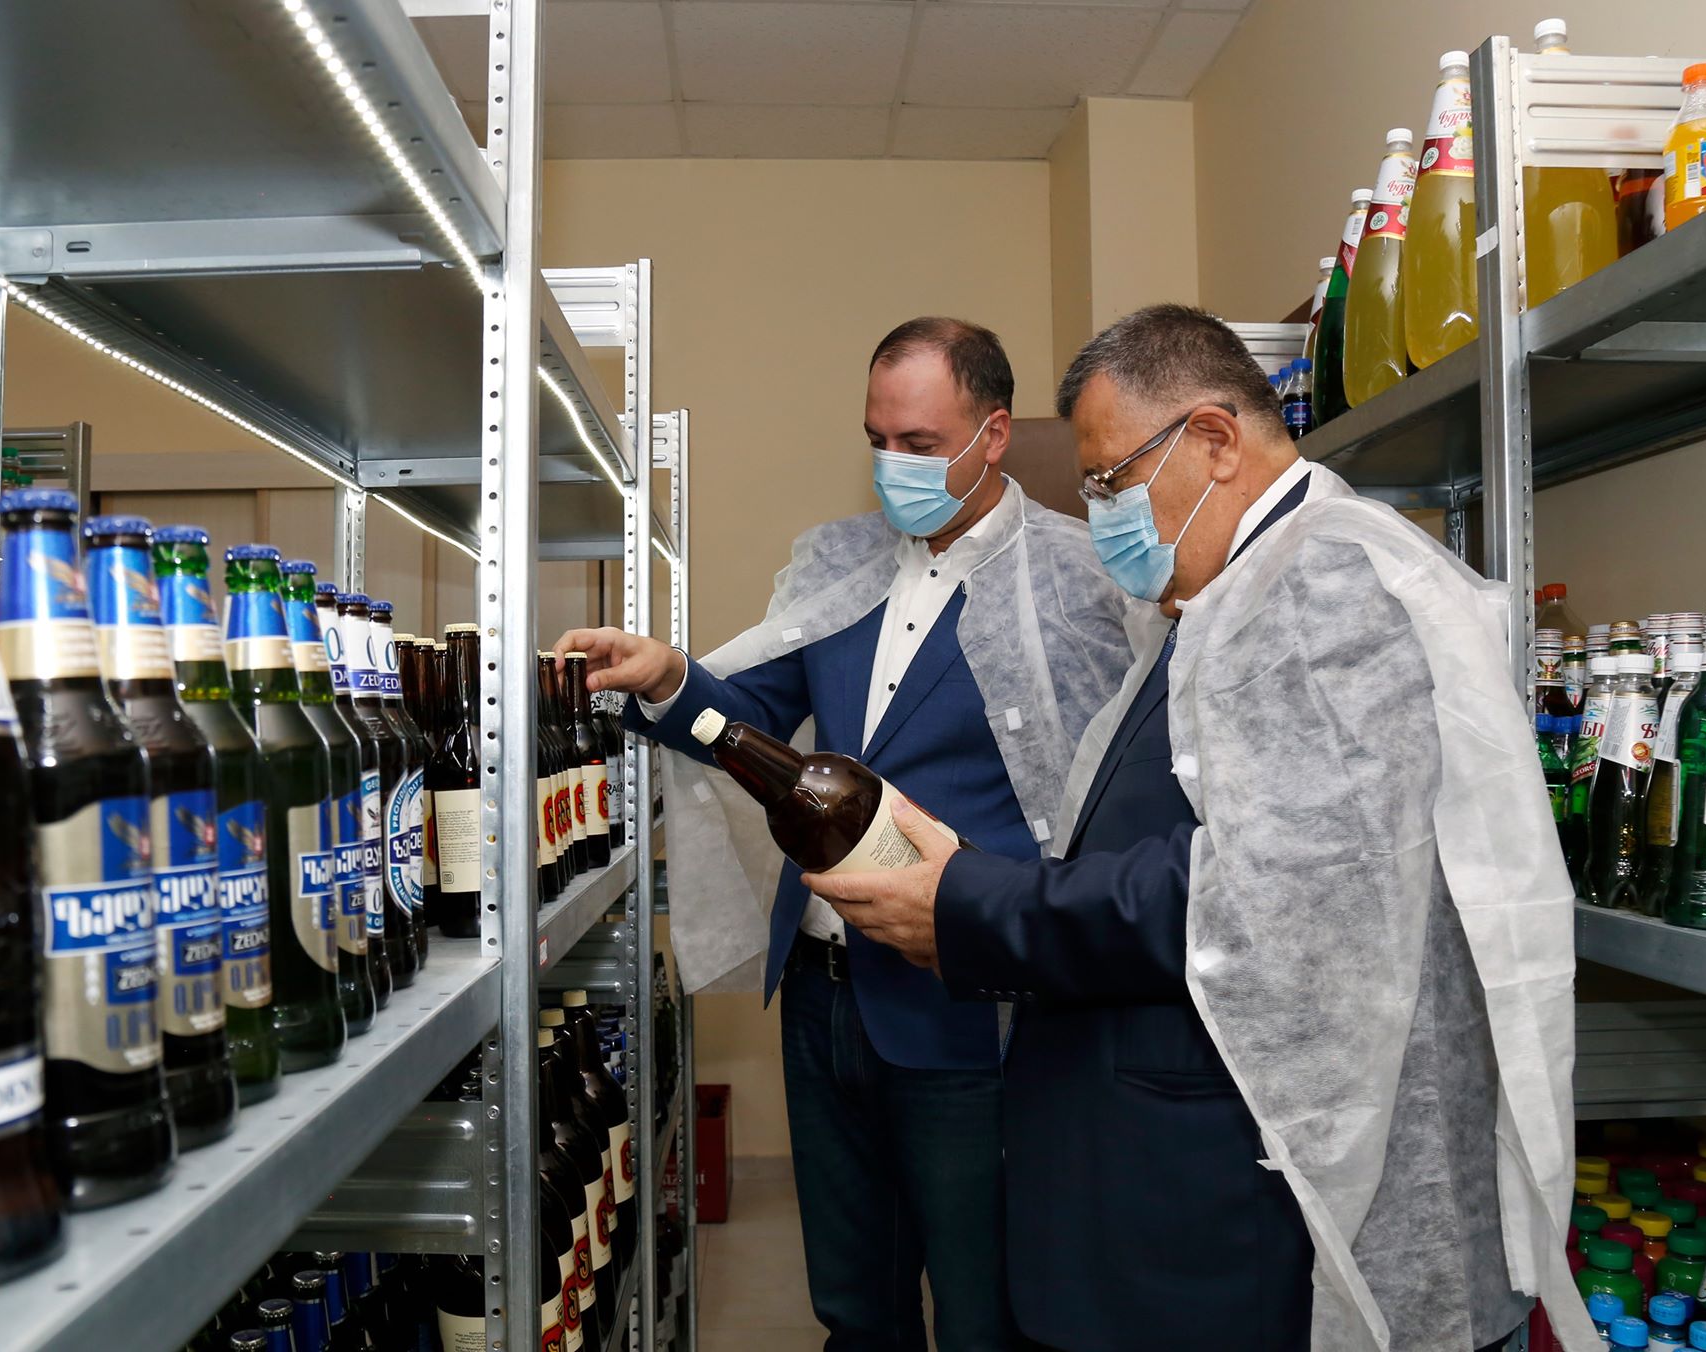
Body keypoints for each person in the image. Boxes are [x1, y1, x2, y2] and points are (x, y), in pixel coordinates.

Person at [804, 305, 1590, 1352]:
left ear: (1214, 439)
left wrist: (970, 901)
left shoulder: (1322, 585)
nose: (1101, 512)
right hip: (1176, 1189)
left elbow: (1266, 893)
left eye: (1109, 480)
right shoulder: (1227, 592)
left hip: (1231, 1207)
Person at [556, 317, 1137, 1350]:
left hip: (966, 1003)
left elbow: (1102, 788)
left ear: (993, 434)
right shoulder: (843, 565)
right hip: (824, 1001)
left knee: (981, 1307)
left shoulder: (1077, 577)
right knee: (854, 1303)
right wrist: (668, 677)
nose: (891, 464)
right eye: (877, 440)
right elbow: (748, 720)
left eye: (919, 443)